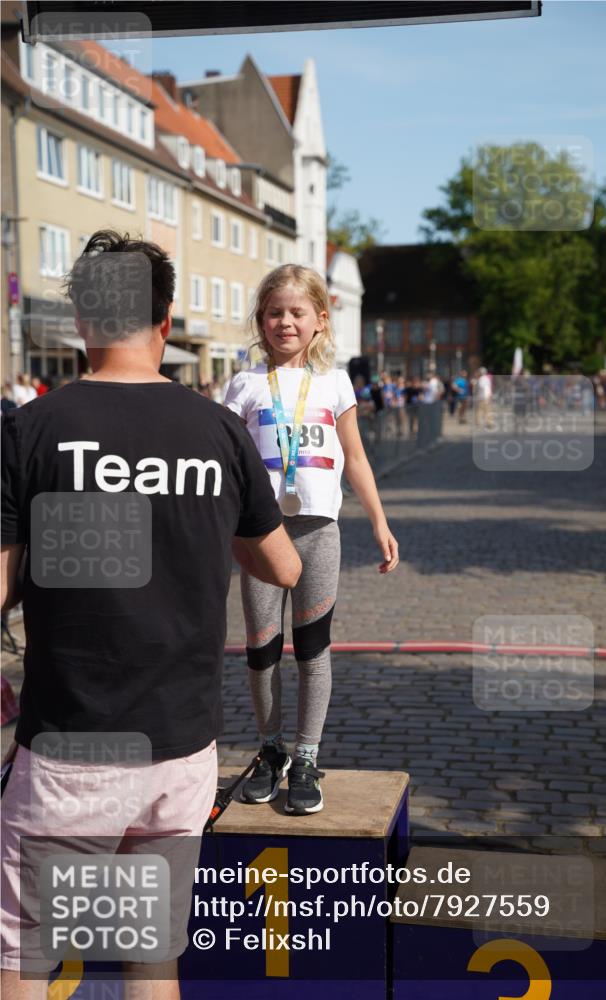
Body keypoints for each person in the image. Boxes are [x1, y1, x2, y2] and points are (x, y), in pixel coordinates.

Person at [1, 230, 301, 1000]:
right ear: (165, 321)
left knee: (26, 955)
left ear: (83, 321)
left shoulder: (32, 430)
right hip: (178, 747)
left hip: (71, 744)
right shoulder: (217, 430)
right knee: (149, 957)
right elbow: (284, 568)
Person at [224, 264, 399, 816]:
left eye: (297, 312)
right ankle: (271, 748)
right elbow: (226, 464)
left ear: (320, 320)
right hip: (261, 535)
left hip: (319, 530)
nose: (285, 322)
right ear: (261, 320)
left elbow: (356, 457)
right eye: (274, 312)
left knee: (313, 648)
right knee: (261, 651)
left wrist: (379, 521)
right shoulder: (245, 384)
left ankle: (306, 756)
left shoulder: (335, 382)